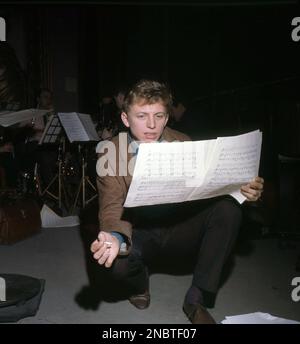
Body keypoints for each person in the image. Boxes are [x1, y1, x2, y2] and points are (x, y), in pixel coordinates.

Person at [90, 79, 264, 324]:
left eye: (159, 115)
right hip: (139, 232)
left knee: (228, 209)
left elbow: (210, 188)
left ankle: (196, 298)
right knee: (115, 262)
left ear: (167, 117)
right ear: (126, 119)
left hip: (180, 229)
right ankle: (139, 285)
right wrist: (115, 238)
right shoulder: (110, 151)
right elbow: (111, 206)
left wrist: (242, 190)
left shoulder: (183, 141)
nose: (151, 125)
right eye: (142, 116)